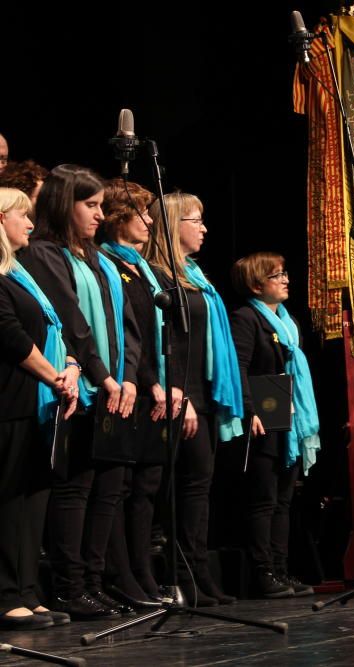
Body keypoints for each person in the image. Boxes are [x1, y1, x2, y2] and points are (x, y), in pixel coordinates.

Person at [17, 165, 140, 620]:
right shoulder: (45, 253)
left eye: (101, 205)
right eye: (90, 205)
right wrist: (103, 376)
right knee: (75, 488)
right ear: (63, 204)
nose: (100, 214)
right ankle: (70, 586)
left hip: (111, 384)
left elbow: (123, 320)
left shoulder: (95, 257)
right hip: (79, 386)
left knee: (105, 488)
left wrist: (126, 375)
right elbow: (72, 320)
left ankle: (93, 581)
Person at [146, 192, 243, 606]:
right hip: (176, 393)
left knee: (198, 487)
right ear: (171, 226)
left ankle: (199, 574)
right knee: (176, 488)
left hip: (202, 393)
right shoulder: (156, 276)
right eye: (194, 220)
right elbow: (157, 342)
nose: (203, 228)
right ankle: (180, 575)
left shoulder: (197, 275)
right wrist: (176, 392)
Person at [0, 187, 78, 630]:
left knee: (34, 501)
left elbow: (53, 326)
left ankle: (28, 590)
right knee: (10, 502)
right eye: (22, 216)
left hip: (41, 403)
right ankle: (6, 595)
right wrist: (54, 376)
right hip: (10, 401)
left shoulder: (19, 277)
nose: (31, 224)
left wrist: (69, 365)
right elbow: (11, 337)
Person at [229, 252, 321, 598]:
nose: (285, 280)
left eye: (284, 273)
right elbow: (238, 366)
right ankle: (262, 572)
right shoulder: (246, 318)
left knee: (284, 499)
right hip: (263, 413)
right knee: (263, 499)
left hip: (289, 413)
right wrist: (249, 409)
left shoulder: (287, 321)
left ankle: (281, 571)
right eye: (276, 275)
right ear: (256, 285)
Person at [99, 178, 168, 603]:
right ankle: (120, 576)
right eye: (141, 213)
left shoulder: (143, 268)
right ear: (119, 217)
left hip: (152, 387)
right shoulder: (110, 263)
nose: (148, 221)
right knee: (121, 486)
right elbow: (129, 333)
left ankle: (142, 573)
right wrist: (151, 382)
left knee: (147, 486)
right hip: (129, 385)